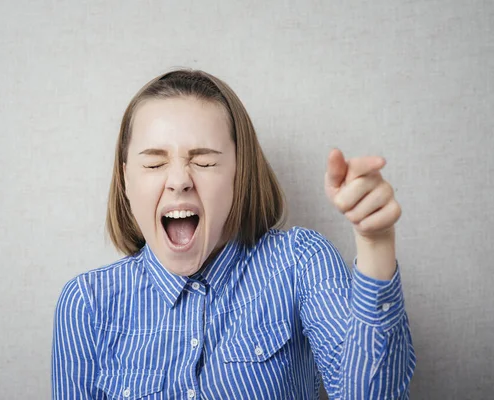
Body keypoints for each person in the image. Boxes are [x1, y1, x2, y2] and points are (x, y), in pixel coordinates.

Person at [51, 69, 416, 399]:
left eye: (205, 161)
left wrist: (375, 242)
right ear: (127, 178)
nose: (179, 180)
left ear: (240, 175)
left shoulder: (299, 263)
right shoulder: (87, 303)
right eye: (154, 163)